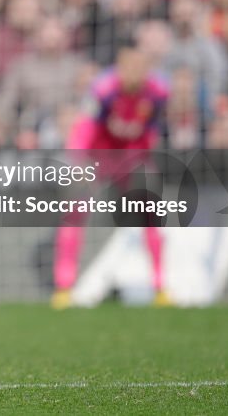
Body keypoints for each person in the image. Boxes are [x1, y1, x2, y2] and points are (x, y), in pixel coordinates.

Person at [52, 47, 170, 310]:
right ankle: (64, 287)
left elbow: (152, 129)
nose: (134, 74)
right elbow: (85, 126)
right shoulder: (103, 90)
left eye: (140, 68)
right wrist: (77, 160)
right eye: (129, 68)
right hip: (98, 156)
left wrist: (145, 156)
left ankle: (160, 287)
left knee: (152, 213)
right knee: (74, 211)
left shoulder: (158, 92)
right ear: (120, 68)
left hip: (132, 158)